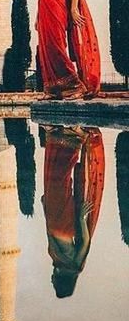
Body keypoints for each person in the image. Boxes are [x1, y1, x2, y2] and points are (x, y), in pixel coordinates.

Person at [41, 126, 104, 298]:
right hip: (65, 223)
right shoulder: (75, 266)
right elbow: (85, 242)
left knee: (53, 177)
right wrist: (82, 219)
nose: (52, 281)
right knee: (62, 179)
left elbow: (49, 236)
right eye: (54, 284)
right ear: (61, 284)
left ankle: (57, 137)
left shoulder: (57, 262)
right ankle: (73, 142)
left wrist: (44, 208)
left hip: (53, 217)